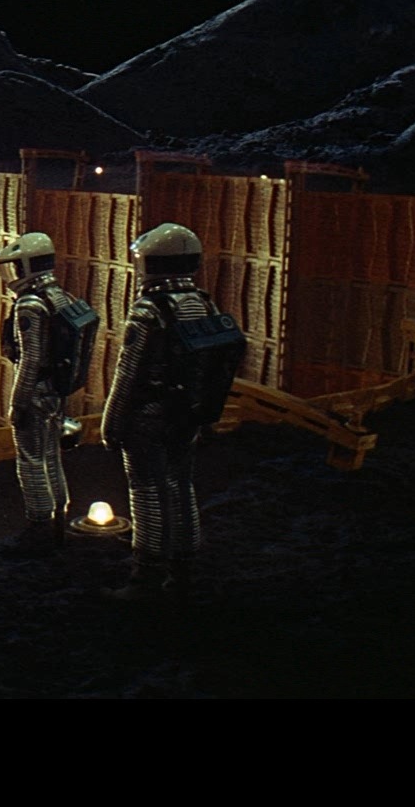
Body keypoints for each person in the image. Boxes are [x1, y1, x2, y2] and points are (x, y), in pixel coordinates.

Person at [102, 223, 244, 601]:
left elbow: (128, 374)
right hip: (187, 414)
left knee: (147, 490)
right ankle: (183, 570)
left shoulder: (149, 310)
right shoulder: (204, 304)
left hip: (148, 415)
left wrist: (111, 424)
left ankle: (146, 577)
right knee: (181, 487)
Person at [0, 231, 98, 557]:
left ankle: (38, 529)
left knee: (31, 461)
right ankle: (58, 524)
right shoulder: (59, 296)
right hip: (55, 391)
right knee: (52, 458)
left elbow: (31, 359)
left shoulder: (30, 304)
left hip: (35, 392)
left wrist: (18, 402)